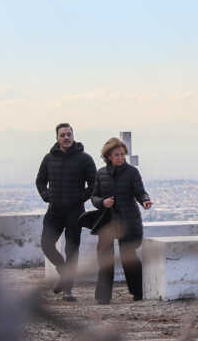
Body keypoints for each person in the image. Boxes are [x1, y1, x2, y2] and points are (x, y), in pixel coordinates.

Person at [35, 123, 97, 302]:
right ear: (57, 138)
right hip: (54, 210)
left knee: (72, 250)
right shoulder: (49, 158)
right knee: (47, 244)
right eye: (62, 135)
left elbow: (94, 184)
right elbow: (40, 181)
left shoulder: (84, 159)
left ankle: (68, 290)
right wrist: (47, 196)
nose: (66, 138)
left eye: (69, 134)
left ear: (73, 136)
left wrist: (80, 198)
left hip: (75, 211)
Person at [92, 137, 152, 304]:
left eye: (122, 154)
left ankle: (139, 292)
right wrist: (102, 202)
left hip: (128, 220)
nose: (120, 157)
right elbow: (94, 197)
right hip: (107, 221)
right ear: (108, 156)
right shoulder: (101, 173)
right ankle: (103, 296)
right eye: (116, 155)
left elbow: (140, 191)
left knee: (129, 256)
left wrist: (145, 200)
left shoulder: (132, 172)